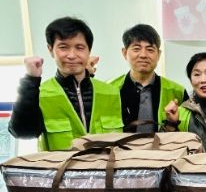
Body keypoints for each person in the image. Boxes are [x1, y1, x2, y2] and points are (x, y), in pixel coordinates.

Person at [9, 16, 123, 150]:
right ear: (50, 50)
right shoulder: (39, 93)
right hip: (59, 164)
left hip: (106, 164)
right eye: (63, 47)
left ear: (89, 50)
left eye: (79, 47)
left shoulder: (112, 92)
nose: (72, 55)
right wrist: (30, 80)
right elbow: (23, 132)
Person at [109, 24, 187, 133]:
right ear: (125, 52)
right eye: (136, 49)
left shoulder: (178, 92)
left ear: (159, 54)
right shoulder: (109, 90)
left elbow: (186, 131)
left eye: (150, 50)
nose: (143, 55)